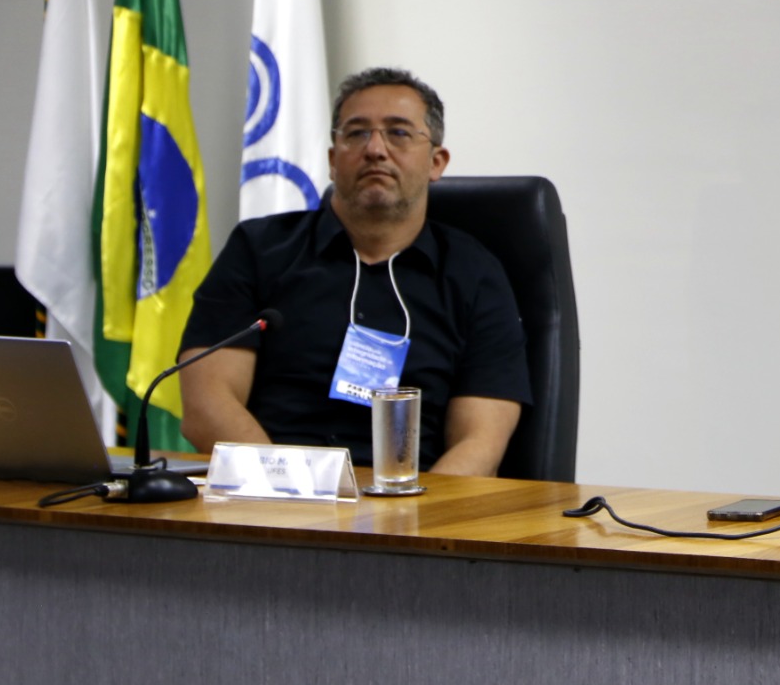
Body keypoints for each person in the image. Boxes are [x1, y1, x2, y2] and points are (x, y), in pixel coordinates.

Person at [179, 67, 531, 476]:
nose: (375, 149)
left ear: (436, 162)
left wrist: (413, 512)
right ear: (333, 160)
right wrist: (286, 490)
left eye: (398, 133)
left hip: (415, 499)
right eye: (357, 133)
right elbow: (207, 405)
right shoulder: (258, 249)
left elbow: (481, 441)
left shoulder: (476, 275)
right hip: (269, 492)